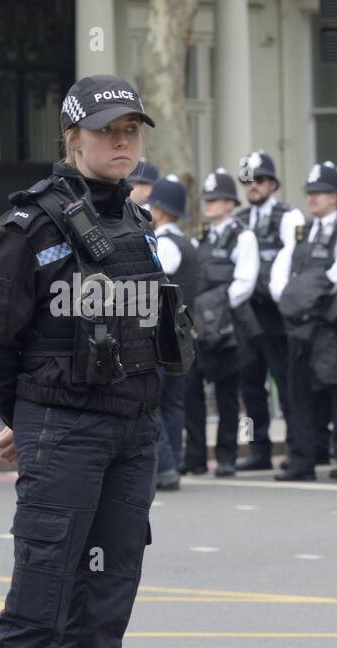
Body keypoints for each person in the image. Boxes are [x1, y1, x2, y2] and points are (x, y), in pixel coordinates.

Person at [0, 73, 171, 648]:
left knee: (101, 614)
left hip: (131, 434)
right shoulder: (29, 226)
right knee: (34, 611)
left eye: (132, 131)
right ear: (73, 138)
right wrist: (30, 416)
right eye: (108, 130)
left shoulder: (140, 223)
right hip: (66, 432)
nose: (122, 142)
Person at [269, 161, 337, 482]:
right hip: (300, 324)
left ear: (336, 196)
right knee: (299, 397)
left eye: (320, 193)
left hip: (332, 326)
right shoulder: (300, 232)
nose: (312, 199)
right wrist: (292, 299)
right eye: (310, 193)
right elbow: (280, 274)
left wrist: (305, 295)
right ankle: (301, 461)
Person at [182, 168, 258, 478]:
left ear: (230, 204)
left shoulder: (243, 235)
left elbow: (244, 282)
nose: (209, 204)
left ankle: (228, 455)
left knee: (228, 394)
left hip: (227, 327)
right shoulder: (197, 236)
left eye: (217, 199)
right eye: (207, 199)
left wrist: (216, 312)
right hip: (198, 326)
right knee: (192, 391)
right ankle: (196, 456)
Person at [235, 149, 302, 472]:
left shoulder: (289, 217)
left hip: (277, 316)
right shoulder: (239, 220)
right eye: (248, 181)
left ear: (273, 183)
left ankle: (296, 446)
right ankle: (256, 447)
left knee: (287, 383)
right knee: (250, 388)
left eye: (260, 180)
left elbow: (294, 262)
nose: (253, 186)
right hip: (248, 317)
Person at [147, 175, 197, 490]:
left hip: (161, 336)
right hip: (183, 336)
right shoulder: (187, 242)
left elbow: (152, 287)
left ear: (161, 210)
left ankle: (165, 466)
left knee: (153, 402)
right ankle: (173, 462)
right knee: (174, 404)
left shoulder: (163, 244)